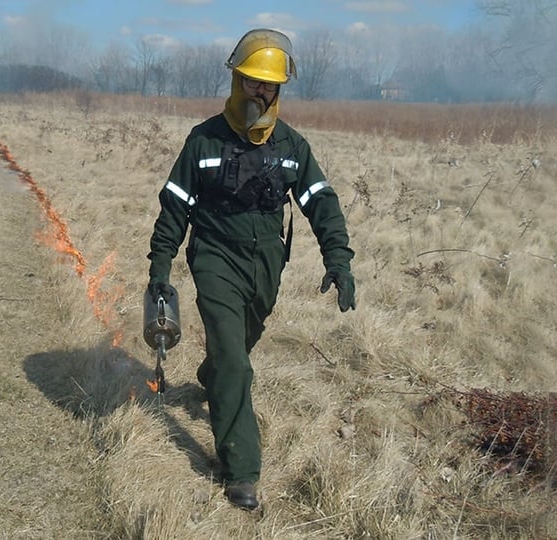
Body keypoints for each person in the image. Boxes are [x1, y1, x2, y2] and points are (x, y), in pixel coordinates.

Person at [145, 28, 356, 510]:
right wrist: (161, 266)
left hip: (265, 267)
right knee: (237, 362)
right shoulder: (203, 141)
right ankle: (241, 470)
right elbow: (174, 208)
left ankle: (215, 372)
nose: (260, 92)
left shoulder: (291, 147)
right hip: (215, 257)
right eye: (252, 82)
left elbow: (320, 202)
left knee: (232, 352)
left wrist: (338, 260)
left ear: (279, 90)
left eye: (270, 85)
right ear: (236, 80)